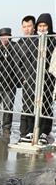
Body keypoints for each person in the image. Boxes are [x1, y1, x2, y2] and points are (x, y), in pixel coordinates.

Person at [16, 15, 38, 140]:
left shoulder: (40, 40)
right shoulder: (20, 43)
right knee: (27, 106)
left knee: (40, 106)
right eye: (24, 27)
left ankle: (38, 132)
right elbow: (16, 63)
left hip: (40, 79)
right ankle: (24, 132)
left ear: (34, 27)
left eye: (29, 26)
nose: (27, 29)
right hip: (27, 80)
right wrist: (22, 78)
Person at [35, 13, 55, 141]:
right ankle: (36, 128)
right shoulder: (35, 39)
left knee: (47, 104)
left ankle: (45, 131)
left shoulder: (54, 38)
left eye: (44, 25)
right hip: (37, 76)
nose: (42, 28)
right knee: (36, 103)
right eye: (40, 25)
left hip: (50, 77)